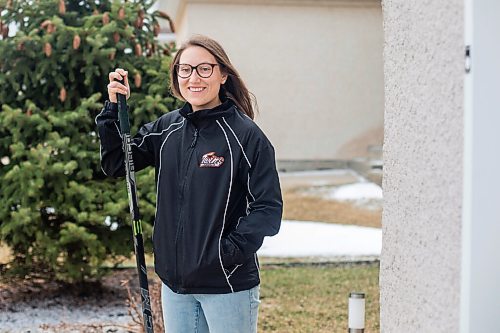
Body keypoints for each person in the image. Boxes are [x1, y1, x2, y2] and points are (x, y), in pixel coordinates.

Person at [96, 35, 283, 333]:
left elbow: (267, 209)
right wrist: (113, 109)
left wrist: (225, 254)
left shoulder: (246, 137)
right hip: (176, 286)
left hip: (226, 285)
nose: (193, 77)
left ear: (223, 75)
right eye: (185, 69)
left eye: (204, 69)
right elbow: (118, 162)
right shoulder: (166, 129)